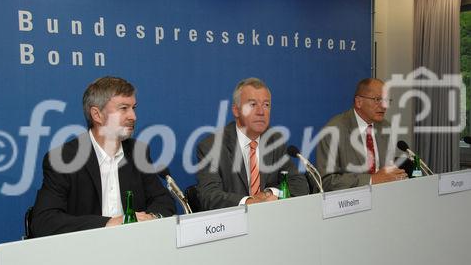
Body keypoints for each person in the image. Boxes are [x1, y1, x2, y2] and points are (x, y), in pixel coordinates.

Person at [31, 76, 175, 237]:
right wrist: (107, 223)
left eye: (134, 108)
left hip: (136, 248)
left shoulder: (138, 152)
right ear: (97, 115)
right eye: (123, 108)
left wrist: (152, 218)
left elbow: (164, 201)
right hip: (84, 253)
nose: (133, 116)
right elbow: (44, 221)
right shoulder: (64, 158)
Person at [196, 78, 309, 210]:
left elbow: (299, 184)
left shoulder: (274, 140)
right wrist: (250, 202)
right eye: (253, 105)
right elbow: (210, 196)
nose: (261, 112)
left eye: (266, 105)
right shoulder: (211, 147)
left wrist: (269, 193)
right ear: (236, 110)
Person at [316, 78, 408, 191]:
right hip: (349, 203)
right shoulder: (333, 130)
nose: (384, 106)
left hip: (384, 197)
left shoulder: (385, 127)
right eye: (377, 99)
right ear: (359, 102)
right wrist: (372, 180)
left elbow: (386, 170)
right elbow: (327, 181)